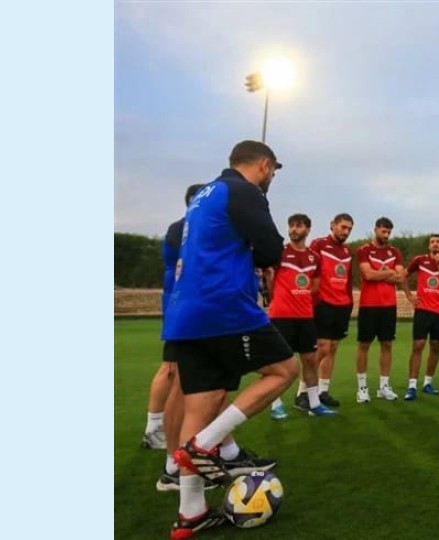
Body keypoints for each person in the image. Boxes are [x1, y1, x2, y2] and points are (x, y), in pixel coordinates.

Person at [164, 140, 299, 536]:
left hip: (185, 312)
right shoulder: (244, 190)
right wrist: (257, 252)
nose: (271, 178)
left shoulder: (203, 196)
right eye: (273, 171)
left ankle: (191, 513)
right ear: (265, 165)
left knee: (200, 405)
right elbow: (272, 249)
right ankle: (205, 444)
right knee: (284, 369)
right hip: (222, 307)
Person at [142, 183, 203, 450]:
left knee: (180, 368)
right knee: (171, 368)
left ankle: (161, 427)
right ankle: (154, 428)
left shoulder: (187, 227)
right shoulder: (182, 228)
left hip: (183, 303)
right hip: (179, 303)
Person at [266, 213, 338, 419]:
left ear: (307, 230)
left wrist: (300, 295)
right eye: (291, 226)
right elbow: (270, 281)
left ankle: (314, 403)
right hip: (281, 315)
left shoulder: (315, 257)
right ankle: (276, 405)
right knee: (278, 361)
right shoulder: (280, 253)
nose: (293, 230)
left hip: (305, 316)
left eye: (298, 226)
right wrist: (279, 299)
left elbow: (315, 286)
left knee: (310, 360)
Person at [354, 217, 406, 403]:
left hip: (389, 305)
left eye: (389, 232)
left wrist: (380, 274)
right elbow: (368, 275)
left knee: (387, 345)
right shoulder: (364, 250)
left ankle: (384, 387)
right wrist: (389, 272)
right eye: (383, 231)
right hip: (368, 305)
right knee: (364, 345)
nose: (386, 235)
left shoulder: (395, 252)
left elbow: (400, 278)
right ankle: (362, 388)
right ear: (375, 230)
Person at [403, 234, 439, 400]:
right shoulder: (420, 260)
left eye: (438, 242)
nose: (435, 244)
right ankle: (412, 386)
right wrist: (409, 295)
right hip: (423, 309)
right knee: (418, 345)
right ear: (428, 246)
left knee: (435, 346)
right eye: (432, 242)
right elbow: (403, 275)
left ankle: (427, 383)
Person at [308, 213, 355, 408]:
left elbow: (348, 279)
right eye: (343, 227)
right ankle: (304, 392)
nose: (346, 232)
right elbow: (309, 271)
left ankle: (323, 391)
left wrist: (350, 302)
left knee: (333, 348)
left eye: (349, 229)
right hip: (323, 303)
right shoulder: (319, 244)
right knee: (322, 348)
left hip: (342, 304)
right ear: (332, 225)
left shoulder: (347, 250)